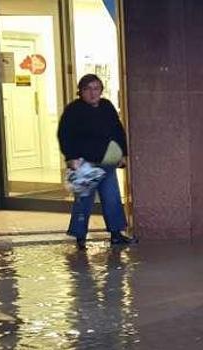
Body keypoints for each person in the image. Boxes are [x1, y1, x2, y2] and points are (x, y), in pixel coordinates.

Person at [58, 74, 136, 250]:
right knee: (84, 201)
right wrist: (70, 158)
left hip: (106, 161)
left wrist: (123, 154)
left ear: (101, 90)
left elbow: (118, 130)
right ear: (81, 92)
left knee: (112, 198)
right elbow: (65, 135)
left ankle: (116, 234)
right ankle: (80, 237)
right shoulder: (74, 110)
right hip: (84, 163)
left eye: (96, 88)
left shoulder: (107, 107)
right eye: (88, 89)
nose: (93, 93)